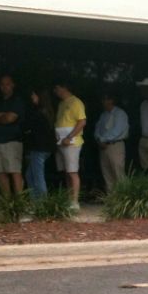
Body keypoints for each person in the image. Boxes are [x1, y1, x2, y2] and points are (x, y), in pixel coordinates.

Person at [53, 79, 87, 210]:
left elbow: (82, 122)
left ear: (64, 87)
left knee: (72, 171)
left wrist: (69, 137)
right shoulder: (61, 104)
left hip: (71, 142)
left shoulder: (76, 102)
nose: (55, 91)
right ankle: (69, 199)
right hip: (61, 142)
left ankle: (75, 202)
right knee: (66, 171)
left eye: (57, 88)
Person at [24, 88, 56, 199]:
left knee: (37, 176)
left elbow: (32, 130)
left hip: (38, 148)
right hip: (44, 148)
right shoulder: (47, 112)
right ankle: (36, 201)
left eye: (34, 95)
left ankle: (42, 203)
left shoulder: (39, 113)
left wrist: (29, 132)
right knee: (30, 175)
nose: (32, 97)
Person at [94, 92, 129, 192]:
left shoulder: (120, 114)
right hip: (103, 147)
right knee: (107, 173)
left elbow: (117, 131)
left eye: (105, 99)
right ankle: (111, 198)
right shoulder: (103, 115)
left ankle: (123, 198)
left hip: (115, 145)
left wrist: (102, 140)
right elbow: (97, 129)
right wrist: (99, 139)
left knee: (118, 173)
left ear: (111, 100)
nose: (103, 102)